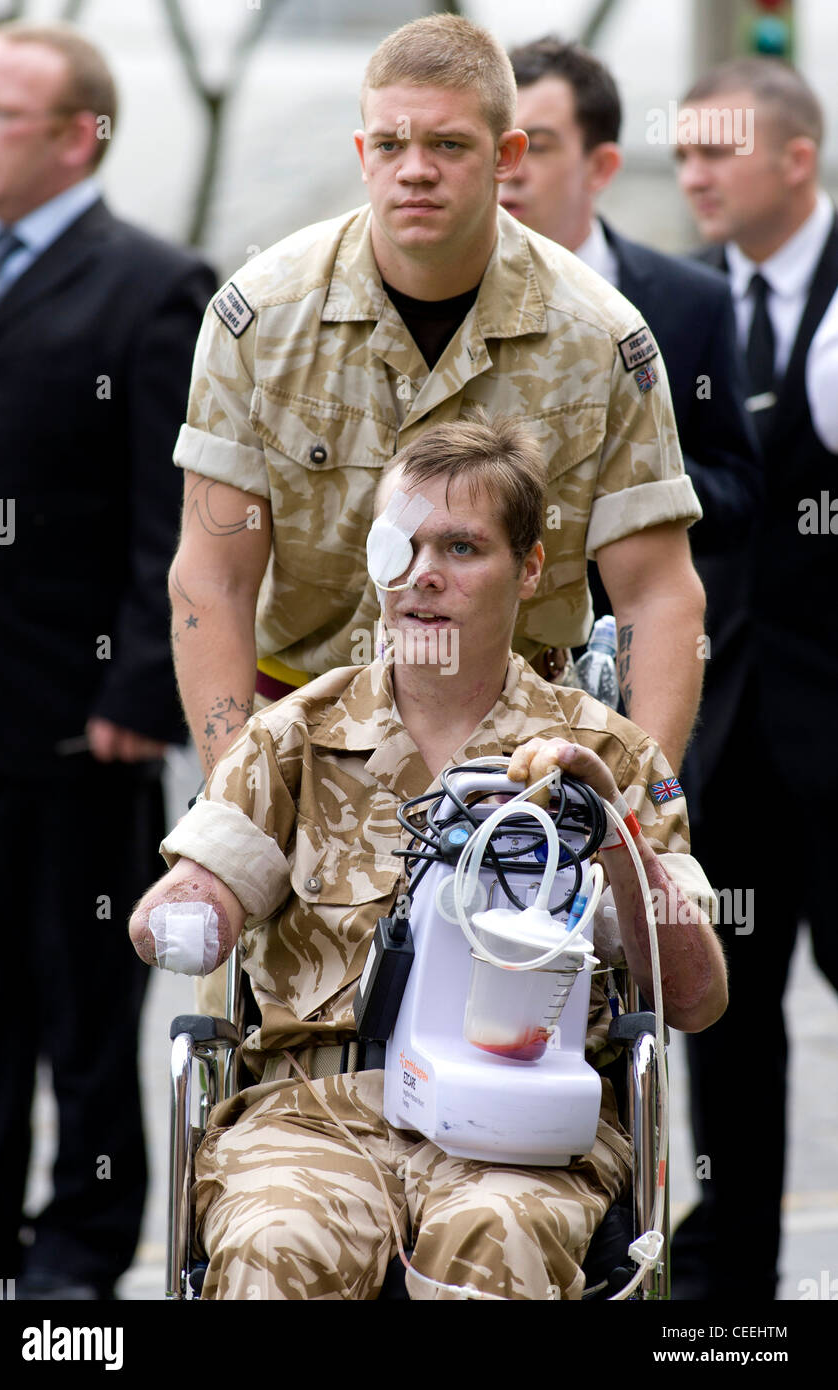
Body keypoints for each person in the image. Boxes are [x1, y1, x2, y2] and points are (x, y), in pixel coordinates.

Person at [130, 414, 727, 1301]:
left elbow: (697, 998)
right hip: (314, 1117)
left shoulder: (607, 754)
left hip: (518, 1124)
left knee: (500, 1242)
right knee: (275, 1245)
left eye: (461, 546)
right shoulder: (295, 737)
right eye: (399, 546)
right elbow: (193, 897)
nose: (423, 576)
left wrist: (610, 829)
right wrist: (186, 911)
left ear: (529, 569)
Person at [170, 12, 707, 792]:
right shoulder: (259, 319)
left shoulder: (599, 337)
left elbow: (657, 593)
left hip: (525, 768)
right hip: (304, 750)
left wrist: (635, 808)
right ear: (363, 155)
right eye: (390, 145)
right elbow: (212, 577)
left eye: (448, 145)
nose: (414, 169)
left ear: (507, 157)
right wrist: (235, 794)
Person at [0, 21, 216, 1298]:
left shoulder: (153, 285)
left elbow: (170, 517)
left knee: (80, 1015)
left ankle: (76, 1262)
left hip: (77, 724)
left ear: (78, 135)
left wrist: (141, 690)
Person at [671, 57, 838, 1301]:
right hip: (723, 733)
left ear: (796, 157)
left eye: (715, 152)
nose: (693, 177)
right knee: (720, 1027)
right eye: (680, 157)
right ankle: (731, 1297)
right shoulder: (679, 311)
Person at [504, 36, 760, 709]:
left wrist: (619, 480)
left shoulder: (691, 299)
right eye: (501, 143)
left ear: (603, 165)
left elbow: (739, 493)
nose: (512, 167)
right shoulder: (435, 300)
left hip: (632, 686)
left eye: (540, 144)